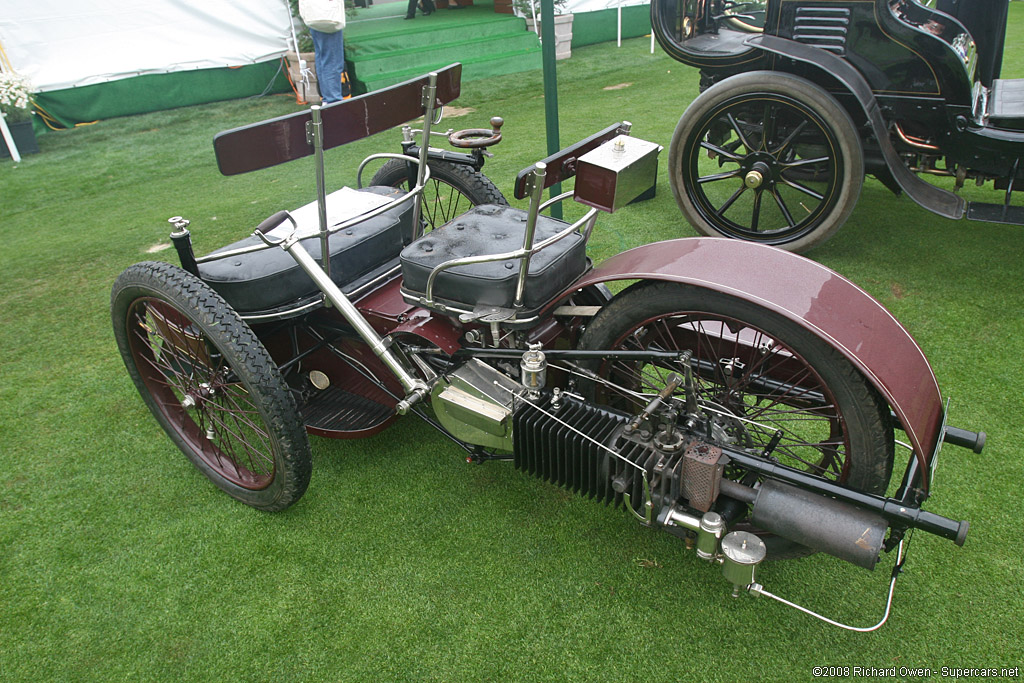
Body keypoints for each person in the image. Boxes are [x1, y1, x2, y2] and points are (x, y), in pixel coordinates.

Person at [300, 0, 350, 102]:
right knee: (332, 61)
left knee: (323, 58)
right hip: (326, 15)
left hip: (315, 15)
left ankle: (327, 99)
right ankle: (333, 101)